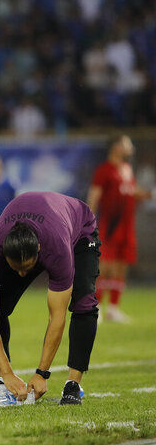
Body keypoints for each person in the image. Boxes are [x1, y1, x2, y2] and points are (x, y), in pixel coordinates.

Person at [0, 192, 100, 406]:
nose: (23, 275)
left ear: (39, 251)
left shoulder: (57, 249)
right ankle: (0, 381)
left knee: (83, 303)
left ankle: (73, 384)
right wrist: (6, 374)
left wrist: (42, 373)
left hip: (78, 229)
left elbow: (56, 316)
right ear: (5, 254)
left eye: (27, 268)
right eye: (17, 268)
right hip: (43, 224)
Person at [87, 135, 153, 323]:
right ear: (116, 147)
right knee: (106, 266)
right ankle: (96, 306)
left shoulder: (126, 169)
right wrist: (88, 223)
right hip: (111, 225)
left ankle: (113, 309)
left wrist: (150, 194)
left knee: (121, 266)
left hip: (127, 226)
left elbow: (131, 192)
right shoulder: (104, 170)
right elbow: (94, 197)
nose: (130, 146)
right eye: (127, 143)